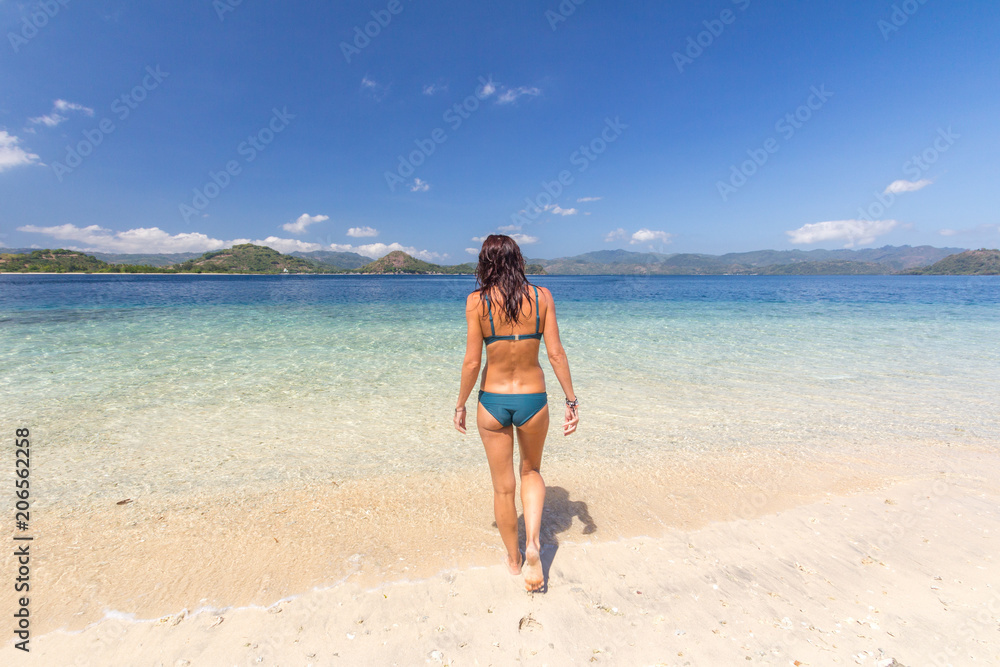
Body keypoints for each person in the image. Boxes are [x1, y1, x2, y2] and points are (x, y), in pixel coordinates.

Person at [453, 234, 579, 592]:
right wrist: (571, 400)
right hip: (533, 400)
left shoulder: (476, 302)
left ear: (485, 263)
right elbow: (556, 354)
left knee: (503, 488)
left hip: (492, 400)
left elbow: (472, 361)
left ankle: (513, 560)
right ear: (518, 259)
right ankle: (534, 544)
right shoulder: (542, 297)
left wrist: (460, 404)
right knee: (532, 470)